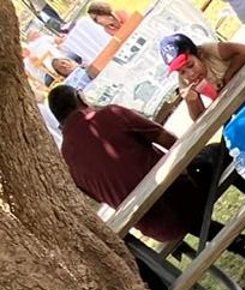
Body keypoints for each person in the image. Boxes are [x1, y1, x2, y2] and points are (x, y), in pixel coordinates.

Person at [47, 84, 224, 249]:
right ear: (80, 98)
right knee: (217, 151)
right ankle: (238, 235)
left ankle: (236, 243)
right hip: (184, 196)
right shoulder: (108, 115)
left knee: (171, 207)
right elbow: (167, 139)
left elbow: (100, 198)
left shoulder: (66, 160)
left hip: (155, 227)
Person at [161, 34, 245, 120]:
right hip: (237, 109)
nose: (190, 74)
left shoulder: (208, 51)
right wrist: (192, 101)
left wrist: (228, 76)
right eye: (182, 72)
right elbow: (199, 119)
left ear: (198, 54)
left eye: (191, 65)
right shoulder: (184, 81)